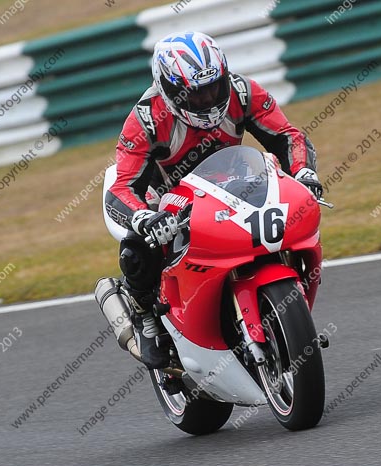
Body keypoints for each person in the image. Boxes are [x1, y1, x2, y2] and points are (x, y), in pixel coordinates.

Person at [102, 31, 321, 369]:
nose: (208, 99)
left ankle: (280, 318)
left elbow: (288, 136)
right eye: (197, 93)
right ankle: (146, 319)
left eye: (214, 88)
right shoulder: (146, 119)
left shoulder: (243, 92)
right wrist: (143, 218)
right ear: (171, 92)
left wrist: (304, 173)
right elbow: (122, 188)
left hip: (231, 182)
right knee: (138, 248)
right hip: (163, 197)